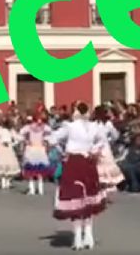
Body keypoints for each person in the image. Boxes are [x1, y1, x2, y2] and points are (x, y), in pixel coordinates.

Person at [48, 102, 108, 251]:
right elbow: (103, 141)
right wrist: (94, 150)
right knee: (88, 198)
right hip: (88, 162)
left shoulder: (70, 126)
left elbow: (51, 139)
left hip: (74, 162)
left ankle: (78, 238)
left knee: (75, 198)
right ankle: (88, 236)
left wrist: (62, 152)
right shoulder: (95, 127)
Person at [18, 115, 53, 196]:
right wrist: (45, 139)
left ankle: (32, 190)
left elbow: (20, 133)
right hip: (40, 149)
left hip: (32, 149)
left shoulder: (29, 127)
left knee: (31, 170)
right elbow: (50, 131)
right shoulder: (44, 127)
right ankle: (40, 190)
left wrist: (26, 140)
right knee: (40, 170)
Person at [92, 106, 124, 194]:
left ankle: (108, 185)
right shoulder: (94, 124)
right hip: (98, 147)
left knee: (106, 165)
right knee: (100, 166)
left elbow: (115, 136)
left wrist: (109, 141)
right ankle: (102, 185)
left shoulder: (108, 124)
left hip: (104, 147)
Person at [0, 118, 20, 190]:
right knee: (3, 164)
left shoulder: (11, 131)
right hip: (2, 150)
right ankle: (3, 183)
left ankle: (7, 183)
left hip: (8, 150)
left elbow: (17, 139)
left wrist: (11, 144)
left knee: (8, 164)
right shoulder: (0, 131)